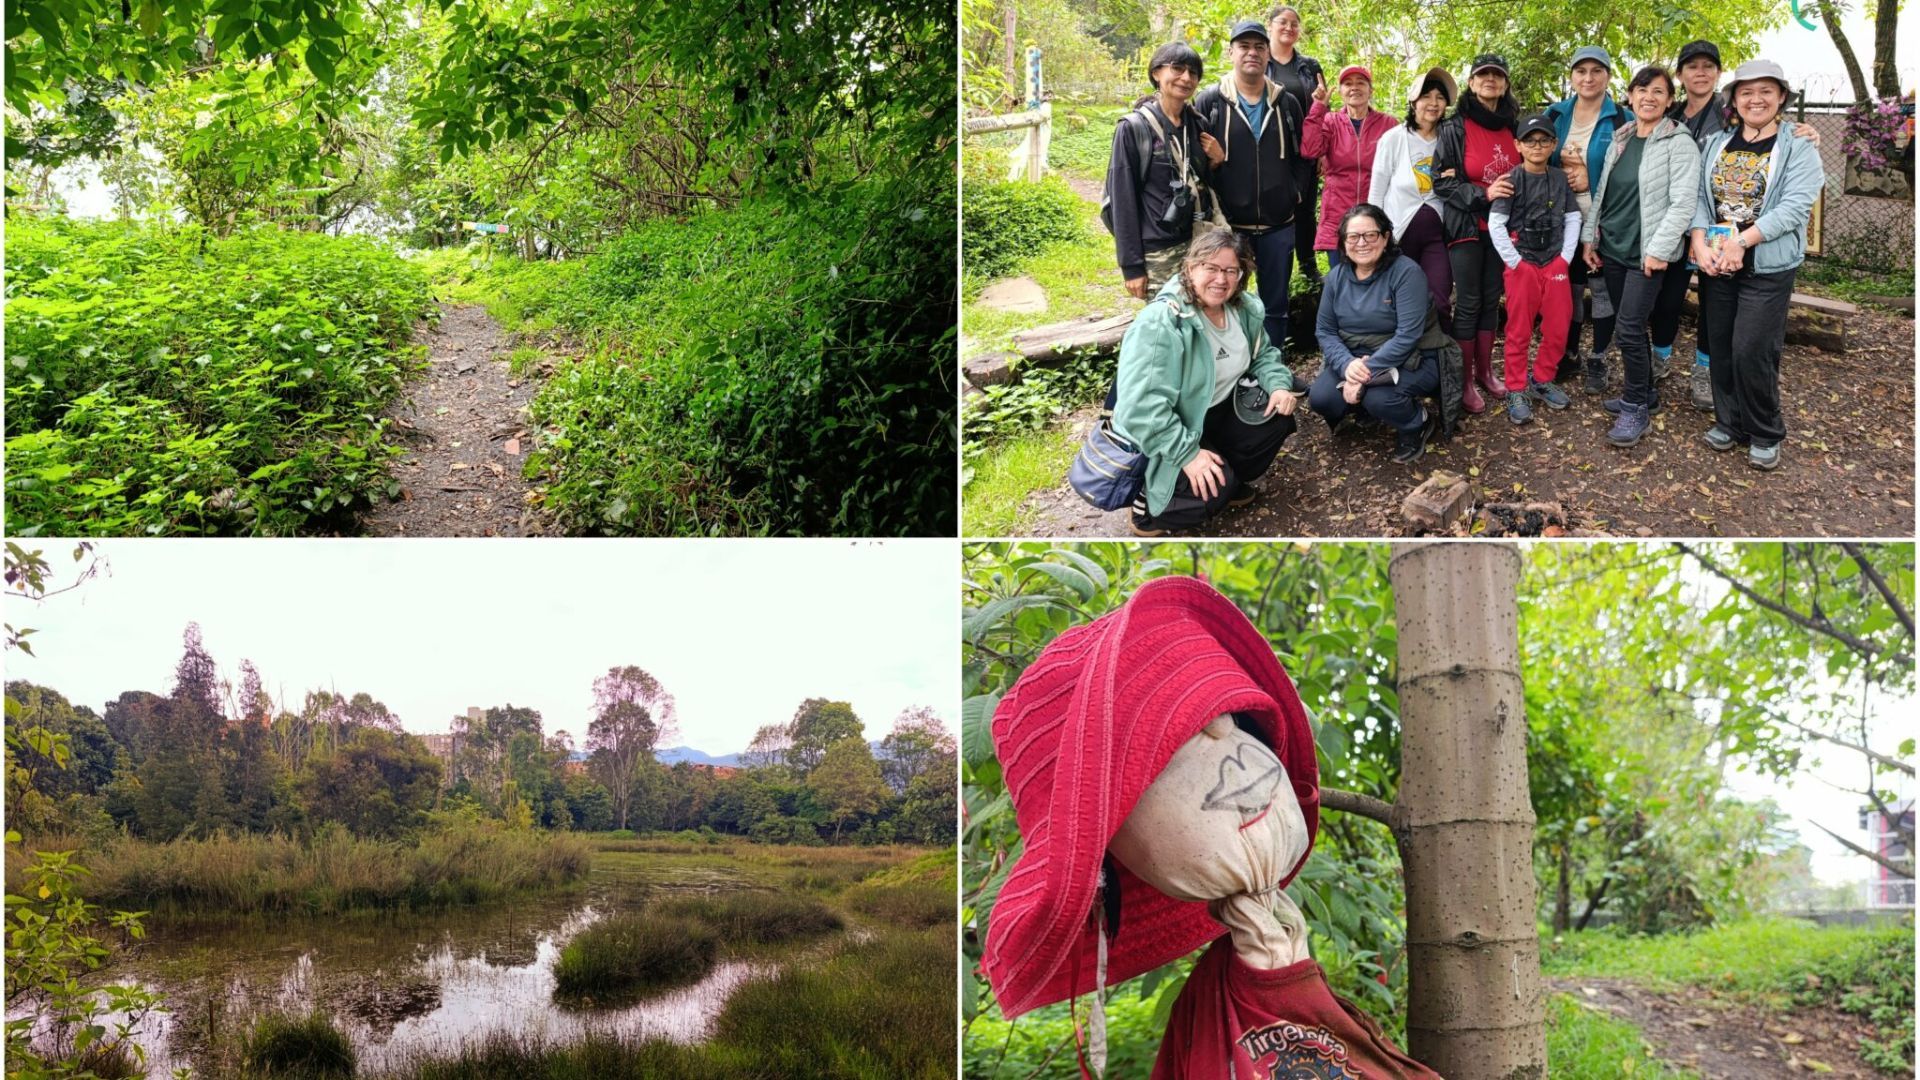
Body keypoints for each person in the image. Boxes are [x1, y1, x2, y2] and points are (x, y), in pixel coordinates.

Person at [1655, 39, 1821, 411]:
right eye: (1692, 66)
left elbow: (1792, 190)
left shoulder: (1735, 117)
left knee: (1734, 331)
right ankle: (1667, 364)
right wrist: (1696, 237)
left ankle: (1711, 378)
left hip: (1742, 248)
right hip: (1687, 232)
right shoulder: (1674, 115)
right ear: (1680, 74)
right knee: (1675, 305)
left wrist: (1806, 132)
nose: (1700, 73)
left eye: (1708, 66)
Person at [1111, 230, 1300, 535]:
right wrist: (1187, 454)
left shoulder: (1243, 308)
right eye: (1211, 268)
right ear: (1190, 268)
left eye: (1231, 271)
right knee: (1210, 494)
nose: (1221, 280)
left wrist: (1278, 385)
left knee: (1277, 417)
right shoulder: (1161, 323)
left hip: (1216, 411)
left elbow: (1263, 354)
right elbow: (1140, 407)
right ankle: (1147, 503)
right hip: (1171, 426)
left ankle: (1227, 476)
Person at [1688, 59, 1823, 471]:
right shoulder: (1717, 143)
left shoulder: (1798, 146)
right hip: (1717, 263)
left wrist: (1743, 242)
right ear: (1735, 100)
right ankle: (1729, 422)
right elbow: (1699, 197)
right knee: (1721, 345)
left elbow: (1796, 207)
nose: (1756, 99)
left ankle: (1764, 431)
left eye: (1766, 91)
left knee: (1752, 349)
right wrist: (1698, 240)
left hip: (1766, 266)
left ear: (1781, 97)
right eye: (1746, 92)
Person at [1581, 65, 1700, 448]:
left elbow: (1684, 203)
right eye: (1642, 90)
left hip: (1647, 253)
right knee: (1628, 325)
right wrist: (1590, 239)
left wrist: (1660, 249)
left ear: (1670, 100)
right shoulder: (1623, 137)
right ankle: (1645, 392)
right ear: (1630, 96)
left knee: (1629, 329)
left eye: (1659, 91)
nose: (1649, 97)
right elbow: (1603, 194)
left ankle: (1635, 407)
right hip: (1613, 247)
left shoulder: (1678, 142)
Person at [1196, 21, 1312, 356]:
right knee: (1226, 301)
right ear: (1231, 52)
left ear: (1268, 55)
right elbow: (1195, 164)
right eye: (1244, 46)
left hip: (1279, 224)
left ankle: (1272, 369)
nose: (1252, 53)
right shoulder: (1211, 101)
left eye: (1259, 47)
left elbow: (1302, 156)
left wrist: (1295, 192)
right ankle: (1233, 371)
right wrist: (1215, 164)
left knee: (1275, 306)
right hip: (1230, 228)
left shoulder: (1285, 102)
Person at [1307, 204, 1442, 463]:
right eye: (1353, 237)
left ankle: (1418, 422)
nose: (1362, 243)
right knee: (1322, 398)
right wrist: (1347, 365)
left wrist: (1362, 375)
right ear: (1343, 242)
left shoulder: (1406, 273)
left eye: (1370, 235)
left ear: (1386, 237)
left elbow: (1408, 335)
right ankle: (1361, 409)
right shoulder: (1336, 277)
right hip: (1354, 357)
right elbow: (1325, 330)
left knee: (1380, 399)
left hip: (1411, 357)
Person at [1432, 53, 1520, 413]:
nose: (1490, 80)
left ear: (1505, 83)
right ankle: (1464, 380)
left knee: (1490, 299)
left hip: (1503, 229)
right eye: (1483, 74)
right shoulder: (1454, 128)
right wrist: (1484, 194)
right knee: (1468, 302)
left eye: (1497, 75)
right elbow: (1441, 182)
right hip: (1466, 227)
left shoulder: (1514, 125)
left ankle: (1485, 371)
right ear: (1471, 83)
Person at [1489, 113, 1581, 425]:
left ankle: (1542, 378)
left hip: (1555, 262)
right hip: (1522, 264)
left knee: (1558, 325)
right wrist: (1514, 261)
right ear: (1518, 145)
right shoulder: (1511, 180)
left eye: (1544, 140)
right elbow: (1496, 223)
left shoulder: (1559, 179)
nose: (1537, 146)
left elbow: (1573, 217)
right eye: (1530, 141)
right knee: (1518, 329)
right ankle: (1516, 388)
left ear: (1554, 144)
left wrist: (1565, 257)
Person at [1545, 46, 1626, 395]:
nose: (1588, 78)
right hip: (1562, 217)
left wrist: (1590, 180)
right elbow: (1537, 156)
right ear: (1572, 76)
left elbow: (1629, 170)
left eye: (1596, 71)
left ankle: (1599, 357)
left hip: (1603, 217)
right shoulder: (1555, 114)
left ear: (1607, 75)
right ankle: (1570, 352)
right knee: (1570, 287)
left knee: (1602, 289)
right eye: (1581, 71)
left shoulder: (1621, 118)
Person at [1106, 43, 1210, 301]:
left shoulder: (1197, 124)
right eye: (1177, 68)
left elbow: (1207, 184)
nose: (1186, 78)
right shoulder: (1134, 128)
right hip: (1158, 250)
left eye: (1193, 72)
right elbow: (1122, 198)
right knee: (1167, 319)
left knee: (1202, 316)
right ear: (1156, 73)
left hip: (1199, 242)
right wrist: (1131, 266)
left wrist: (1217, 161)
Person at [1369, 66, 1458, 335]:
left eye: (1440, 97)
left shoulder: (1450, 138)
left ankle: (1441, 355)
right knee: (1399, 301)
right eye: (1426, 96)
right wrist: (1375, 235)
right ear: (1413, 101)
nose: (1433, 103)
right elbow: (1377, 191)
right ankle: (1402, 355)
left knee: (1440, 301)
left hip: (1438, 236)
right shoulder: (1394, 138)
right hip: (1399, 235)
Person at [1301, 64, 1396, 270]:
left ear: (1371, 90)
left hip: (1375, 215)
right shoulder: (1331, 121)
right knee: (1341, 278)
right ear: (1340, 91)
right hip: (1338, 215)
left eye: (1361, 83)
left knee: (1376, 277)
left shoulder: (1388, 124)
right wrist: (1318, 107)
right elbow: (1310, 150)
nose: (1354, 87)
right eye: (1348, 84)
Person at [1263, 5, 1325, 289]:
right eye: (1282, 22)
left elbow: (1322, 108)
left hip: (1306, 148)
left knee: (1305, 209)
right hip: (1270, 147)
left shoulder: (1309, 66)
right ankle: (1275, 267)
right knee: (1275, 208)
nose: (1289, 27)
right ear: (1270, 25)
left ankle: (1308, 265)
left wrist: (1322, 150)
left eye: (1294, 24)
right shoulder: (1260, 61)